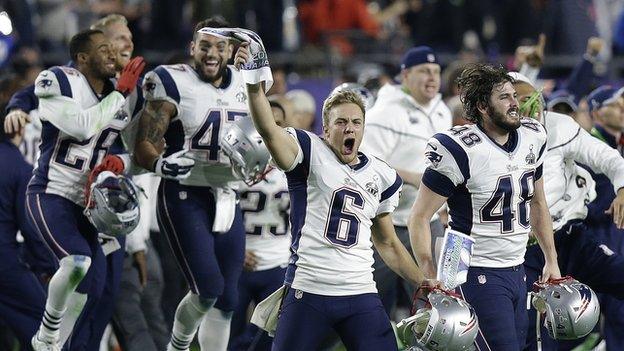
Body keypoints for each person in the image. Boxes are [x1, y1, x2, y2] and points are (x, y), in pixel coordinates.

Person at [236, 37, 439, 351]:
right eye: (341, 122)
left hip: (360, 292)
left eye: (356, 122)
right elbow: (267, 129)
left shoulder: (381, 173)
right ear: (325, 128)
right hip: (309, 290)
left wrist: (422, 282)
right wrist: (253, 86)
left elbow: (387, 243)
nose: (350, 129)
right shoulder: (308, 151)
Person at [408, 63, 560, 351]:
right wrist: (429, 273)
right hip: (470, 267)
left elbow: (538, 203)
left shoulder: (533, 136)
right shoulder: (460, 149)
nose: (515, 103)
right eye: (504, 97)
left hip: (517, 267)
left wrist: (550, 260)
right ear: (482, 106)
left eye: (513, 95)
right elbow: (419, 216)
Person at [133, 17, 249, 351]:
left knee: (228, 297)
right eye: (205, 46)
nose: (212, 53)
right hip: (185, 190)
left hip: (227, 193)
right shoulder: (172, 80)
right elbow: (145, 143)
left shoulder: (246, 82)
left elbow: (264, 131)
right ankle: (179, 346)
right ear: (192, 48)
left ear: (230, 50)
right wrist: (159, 162)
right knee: (208, 287)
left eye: (220, 46)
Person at [25, 29, 144, 351]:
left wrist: (120, 162)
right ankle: (47, 335)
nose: (112, 53)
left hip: (91, 203)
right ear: (82, 58)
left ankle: (59, 346)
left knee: (90, 285)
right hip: (52, 191)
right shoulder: (59, 79)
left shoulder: (124, 93)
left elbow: (140, 156)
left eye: (113, 48)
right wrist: (119, 95)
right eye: (103, 49)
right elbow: (80, 126)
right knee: (77, 262)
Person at [513, 76, 624, 350]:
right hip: (523, 248)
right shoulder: (489, 141)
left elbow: (607, 158)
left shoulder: (558, 126)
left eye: (534, 99)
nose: (530, 107)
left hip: (570, 236)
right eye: (520, 101)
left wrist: (623, 187)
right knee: (533, 329)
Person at [359, 45, 452, 316]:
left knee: (436, 301)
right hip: (387, 223)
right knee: (363, 300)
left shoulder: (441, 111)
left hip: (427, 220)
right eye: (424, 71)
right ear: (405, 75)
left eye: (436, 71)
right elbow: (365, 164)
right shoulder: (385, 113)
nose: (432, 78)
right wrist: (413, 178)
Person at [229, 96, 295, 351]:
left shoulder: (294, 167)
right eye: (265, 123)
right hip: (236, 263)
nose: (270, 130)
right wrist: (234, 248)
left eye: (277, 124)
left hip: (278, 264)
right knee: (226, 337)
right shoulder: (233, 164)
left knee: (269, 341)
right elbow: (219, 216)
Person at [0, 114, 55, 350]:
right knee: (42, 325)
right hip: (5, 261)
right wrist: (47, 266)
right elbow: (29, 226)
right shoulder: (19, 167)